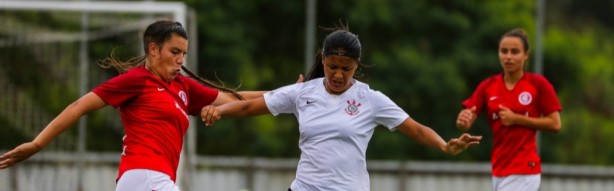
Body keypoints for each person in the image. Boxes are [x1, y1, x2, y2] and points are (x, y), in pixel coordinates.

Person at [200, 26, 482, 191]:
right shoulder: (303, 92)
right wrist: (219, 110)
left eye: (346, 69)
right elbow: (250, 107)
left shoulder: (370, 99)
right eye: (332, 67)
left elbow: (417, 130)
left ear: (356, 66)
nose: (338, 75)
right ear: (322, 60)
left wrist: (445, 146)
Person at [0, 20, 268, 191]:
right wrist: (36, 144)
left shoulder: (183, 88)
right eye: (174, 52)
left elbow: (236, 101)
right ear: (153, 49)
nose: (180, 60)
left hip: (146, 181)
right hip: (145, 176)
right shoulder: (137, 80)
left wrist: (294, 93)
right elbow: (78, 106)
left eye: (183, 54)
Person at [455, 28, 562, 191]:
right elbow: (467, 120)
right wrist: (463, 121)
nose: (508, 57)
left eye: (515, 52)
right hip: (498, 168)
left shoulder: (538, 84)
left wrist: (516, 118)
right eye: (504, 51)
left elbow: (555, 124)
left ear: (526, 54)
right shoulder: (488, 86)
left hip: (525, 168)